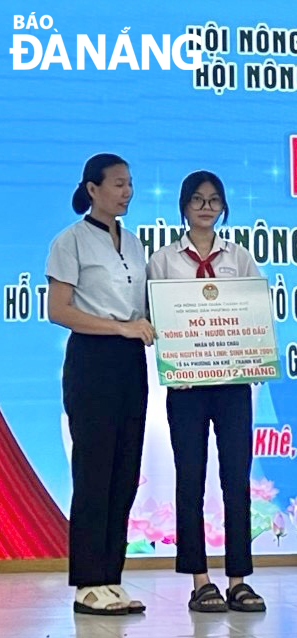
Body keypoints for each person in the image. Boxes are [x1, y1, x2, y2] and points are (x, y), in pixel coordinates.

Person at [146, 170, 265, 613]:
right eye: (197, 199)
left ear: (223, 206)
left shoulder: (239, 257)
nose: (206, 206)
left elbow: (255, 311)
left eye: (214, 199)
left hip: (233, 384)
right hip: (188, 386)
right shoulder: (162, 260)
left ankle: (239, 579)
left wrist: (252, 355)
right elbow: (155, 318)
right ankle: (200, 580)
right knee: (190, 479)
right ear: (183, 205)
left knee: (236, 480)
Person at [47, 153, 152, 615]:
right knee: (93, 471)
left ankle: (111, 576)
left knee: (125, 470)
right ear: (92, 189)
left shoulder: (134, 244)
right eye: (117, 184)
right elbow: (59, 310)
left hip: (131, 362)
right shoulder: (69, 241)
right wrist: (121, 328)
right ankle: (88, 581)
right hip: (93, 359)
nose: (126, 192)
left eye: (130, 184)